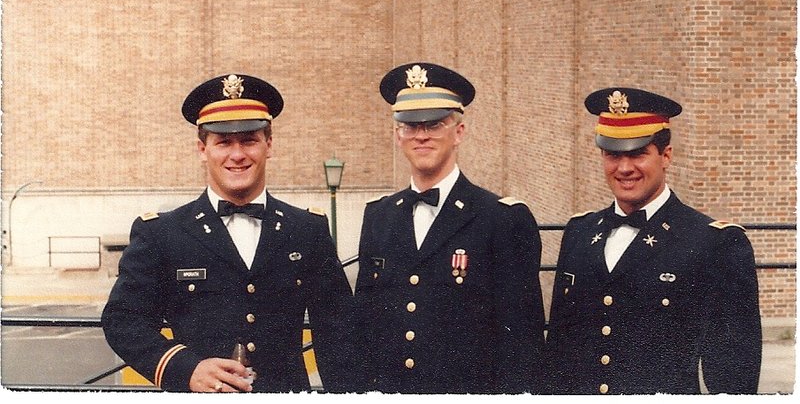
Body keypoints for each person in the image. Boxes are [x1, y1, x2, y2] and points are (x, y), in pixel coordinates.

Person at [102, 73, 354, 393]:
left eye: (249, 140)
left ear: (269, 145)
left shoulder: (306, 230)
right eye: (223, 142)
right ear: (202, 149)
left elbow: (339, 334)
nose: (237, 154)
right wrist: (185, 368)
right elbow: (123, 320)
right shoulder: (162, 234)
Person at [545, 87, 762, 394]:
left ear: (666, 156)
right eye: (613, 154)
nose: (624, 168)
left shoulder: (715, 243)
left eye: (638, 153)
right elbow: (557, 356)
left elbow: (734, 375)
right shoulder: (579, 232)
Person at [353, 62, 546, 393]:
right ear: (397, 135)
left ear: (459, 132)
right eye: (410, 126)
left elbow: (521, 345)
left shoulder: (501, 219)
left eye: (434, 124)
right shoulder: (379, 216)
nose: (421, 136)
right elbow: (364, 325)